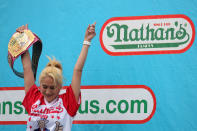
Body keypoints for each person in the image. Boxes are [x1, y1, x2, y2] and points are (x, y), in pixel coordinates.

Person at [17, 23, 96, 131]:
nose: (48, 91)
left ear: (59, 87)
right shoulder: (34, 98)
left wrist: (87, 41)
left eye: (52, 87)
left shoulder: (68, 102)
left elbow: (78, 70)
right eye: (44, 87)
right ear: (39, 85)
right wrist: (23, 39)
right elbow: (27, 69)